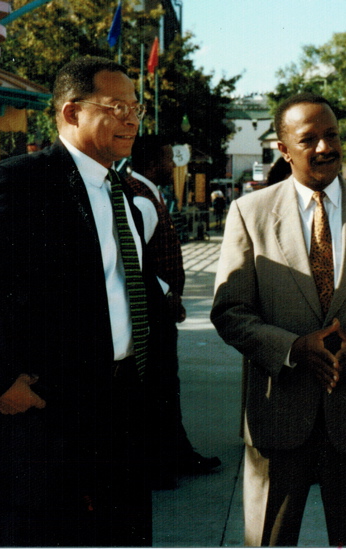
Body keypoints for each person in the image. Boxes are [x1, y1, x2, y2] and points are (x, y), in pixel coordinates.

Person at [0, 56, 176, 547]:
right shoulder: (20, 182)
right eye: (116, 106)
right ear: (71, 112)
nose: (131, 118)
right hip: (44, 426)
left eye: (136, 107)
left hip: (120, 416)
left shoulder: (119, 190)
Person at [211, 92, 346, 546]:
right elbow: (230, 311)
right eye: (309, 139)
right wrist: (293, 348)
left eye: (332, 135)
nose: (325, 147)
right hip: (277, 418)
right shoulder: (250, 213)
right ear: (283, 149)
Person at [126, 135, 220, 485]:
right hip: (152, 311)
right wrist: (168, 294)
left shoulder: (145, 192)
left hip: (158, 307)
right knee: (160, 385)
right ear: (153, 161)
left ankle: (176, 455)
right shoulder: (142, 198)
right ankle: (160, 464)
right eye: (168, 159)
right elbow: (136, 260)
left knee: (165, 385)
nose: (173, 165)